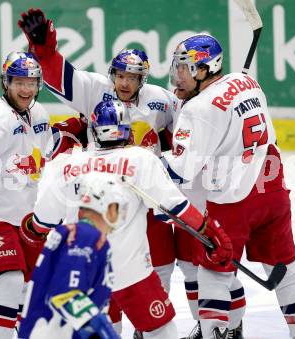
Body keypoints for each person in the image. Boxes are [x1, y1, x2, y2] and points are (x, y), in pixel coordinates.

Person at [17, 8, 181, 335]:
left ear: (142, 80)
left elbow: (185, 132)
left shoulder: (161, 101)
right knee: (107, 275)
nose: (125, 82)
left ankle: (145, 327)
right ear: (112, 74)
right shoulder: (95, 89)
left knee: (157, 269)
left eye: (133, 78)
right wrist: (45, 52)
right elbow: (63, 77)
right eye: (121, 75)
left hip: (147, 191)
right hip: (104, 195)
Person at [26, 99, 233, 339]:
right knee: (161, 330)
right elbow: (176, 208)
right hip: (130, 271)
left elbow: (42, 222)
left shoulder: (66, 164)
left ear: (94, 131)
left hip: (82, 270)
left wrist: (29, 229)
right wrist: (210, 232)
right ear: (127, 129)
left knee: (103, 331)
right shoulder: (141, 159)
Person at [163, 34, 295, 338]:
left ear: (206, 68)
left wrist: (142, 162)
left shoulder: (198, 110)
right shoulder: (249, 83)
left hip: (234, 199)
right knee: (284, 266)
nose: (178, 75)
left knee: (214, 272)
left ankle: (216, 333)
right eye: (178, 67)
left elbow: (183, 168)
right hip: (272, 190)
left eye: (185, 68)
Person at [0, 51, 86, 339]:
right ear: (6, 83)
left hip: (25, 216)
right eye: (19, 82)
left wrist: (72, 130)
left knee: (32, 290)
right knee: (9, 283)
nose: (26, 89)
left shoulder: (37, 113)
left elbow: (46, 149)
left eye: (31, 82)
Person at [18, 172, 121, 339]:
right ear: (107, 207)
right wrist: (101, 329)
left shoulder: (77, 234)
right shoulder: (84, 237)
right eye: (117, 206)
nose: (120, 214)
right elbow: (65, 293)